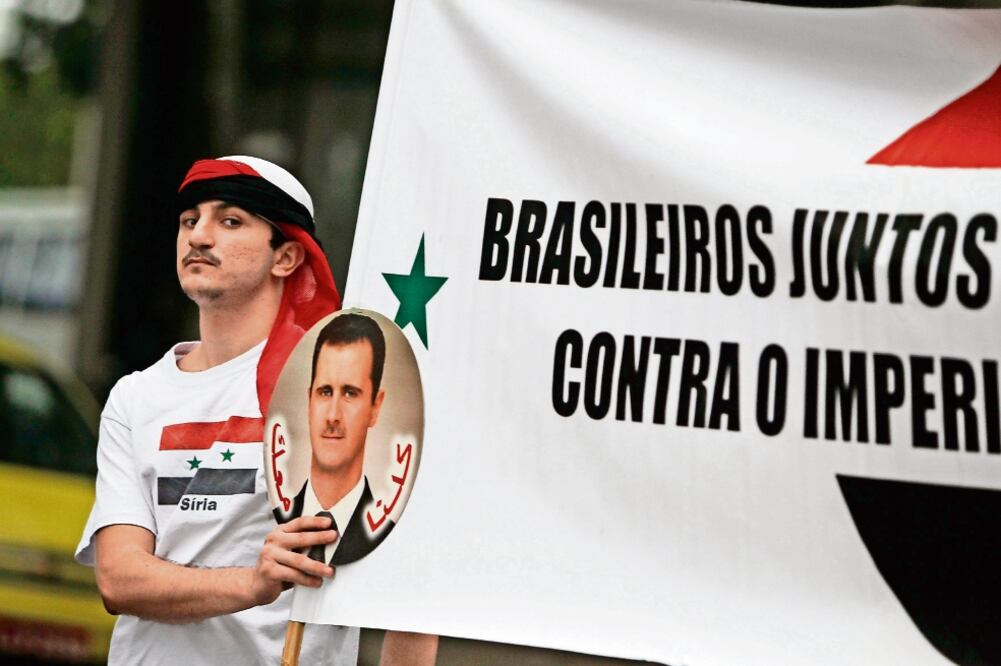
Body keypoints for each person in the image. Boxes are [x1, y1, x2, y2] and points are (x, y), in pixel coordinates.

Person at [74, 155, 437, 665]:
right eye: (189, 220)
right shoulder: (134, 396)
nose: (199, 236)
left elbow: (410, 593)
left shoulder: (333, 390)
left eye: (230, 221)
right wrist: (254, 583)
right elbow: (119, 580)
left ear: (285, 257)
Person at [280, 313, 395, 565]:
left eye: (350, 393)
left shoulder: (396, 536)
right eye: (325, 392)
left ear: (375, 407)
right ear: (309, 400)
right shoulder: (267, 520)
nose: (333, 415)